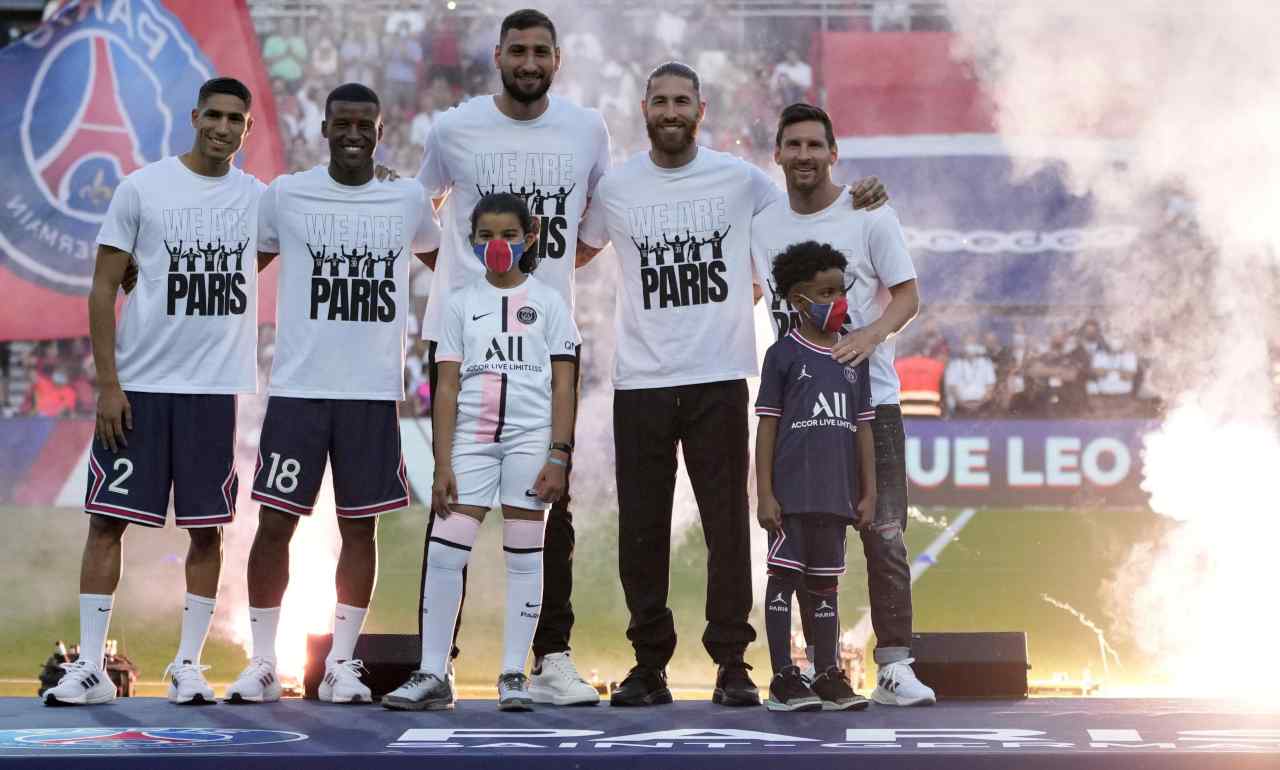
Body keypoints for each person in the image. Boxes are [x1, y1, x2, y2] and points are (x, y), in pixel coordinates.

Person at [576, 67, 887, 708]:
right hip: (641, 381)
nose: (670, 110)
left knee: (727, 530)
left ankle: (732, 663)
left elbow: (806, 223)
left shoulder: (741, 181)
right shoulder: (616, 187)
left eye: (681, 101)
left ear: (701, 109)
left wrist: (861, 196)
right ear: (643, 109)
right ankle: (648, 664)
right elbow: (568, 250)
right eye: (659, 100)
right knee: (643, 531)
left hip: (719, 376)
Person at [44, 78, 264, 707]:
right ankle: (89, 665)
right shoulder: (143, 187)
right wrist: (107, 384)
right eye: (214, 115)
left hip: (211, 390)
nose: (223, 127)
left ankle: (187, 665)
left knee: (206, 531)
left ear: (247, 130)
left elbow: (266, 253)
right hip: (138, 387)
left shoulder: (256, 197)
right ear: (195, 116)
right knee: (106, 522)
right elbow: (101, 288)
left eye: (236, 120)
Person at [415, 8, 610, 707]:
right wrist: (461, 278)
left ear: (558, 60)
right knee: (451, 503)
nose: (528, 62)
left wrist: (542, 279)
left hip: (543, 340)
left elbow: (594, 229)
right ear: (497, 55)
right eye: (517, 50)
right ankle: (434, 664)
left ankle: (549, 657)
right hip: (464, 338)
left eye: (540, 52)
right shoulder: (454, 126)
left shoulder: (587, 129)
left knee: (549, 504)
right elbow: (420, 208)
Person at [225, 83, 441, 705]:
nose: (353, 133)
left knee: (360, 530)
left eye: (364, 124)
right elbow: (242, 266)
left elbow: (448, 263)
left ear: (380, 131)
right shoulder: (287, 194)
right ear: (323, 128)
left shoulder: (406, 198)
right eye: (342, 122)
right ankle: (264, 662)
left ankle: (342, 662)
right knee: (274, 525)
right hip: (298, 389)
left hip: (372, 395)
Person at [752, 103, 935, 706]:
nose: (803, 155)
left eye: (815, 145)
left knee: (882, 531)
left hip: (868, 402)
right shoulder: (761, 222)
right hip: (797, 412)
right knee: (799, 540)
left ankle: (895, 664)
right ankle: (807, 669)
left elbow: (907, 297)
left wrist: (869, 335)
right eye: (792, 145)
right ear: (776, 154)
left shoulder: (868, 210)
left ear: (834, 153)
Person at [385, 193, 579, 711]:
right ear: (471, 241)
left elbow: (565, 385)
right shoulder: (458, 303)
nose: (497, 245)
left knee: (524, 557)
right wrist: (441, 462)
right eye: (487, 235)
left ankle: (514, 674)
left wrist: (558, 454)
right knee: (447, 555)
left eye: (509, 236)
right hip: (470, 443)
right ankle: (432, 672)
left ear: (529, 238)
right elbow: (444, 387)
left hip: (529, 441)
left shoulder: (551, 302)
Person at [755, 241, 875, 712]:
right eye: (825, 293)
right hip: (792, 496)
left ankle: (827, 673)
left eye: (840, 290)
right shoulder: (783, 355)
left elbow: (863, 427)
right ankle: (785, 677)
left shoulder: (852, 356)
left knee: (826, 586)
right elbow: (767, 426)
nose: (837, 301)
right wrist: (764, 492)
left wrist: (869, 491)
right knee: (784, 579)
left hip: (836, 495)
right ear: (798, 300)